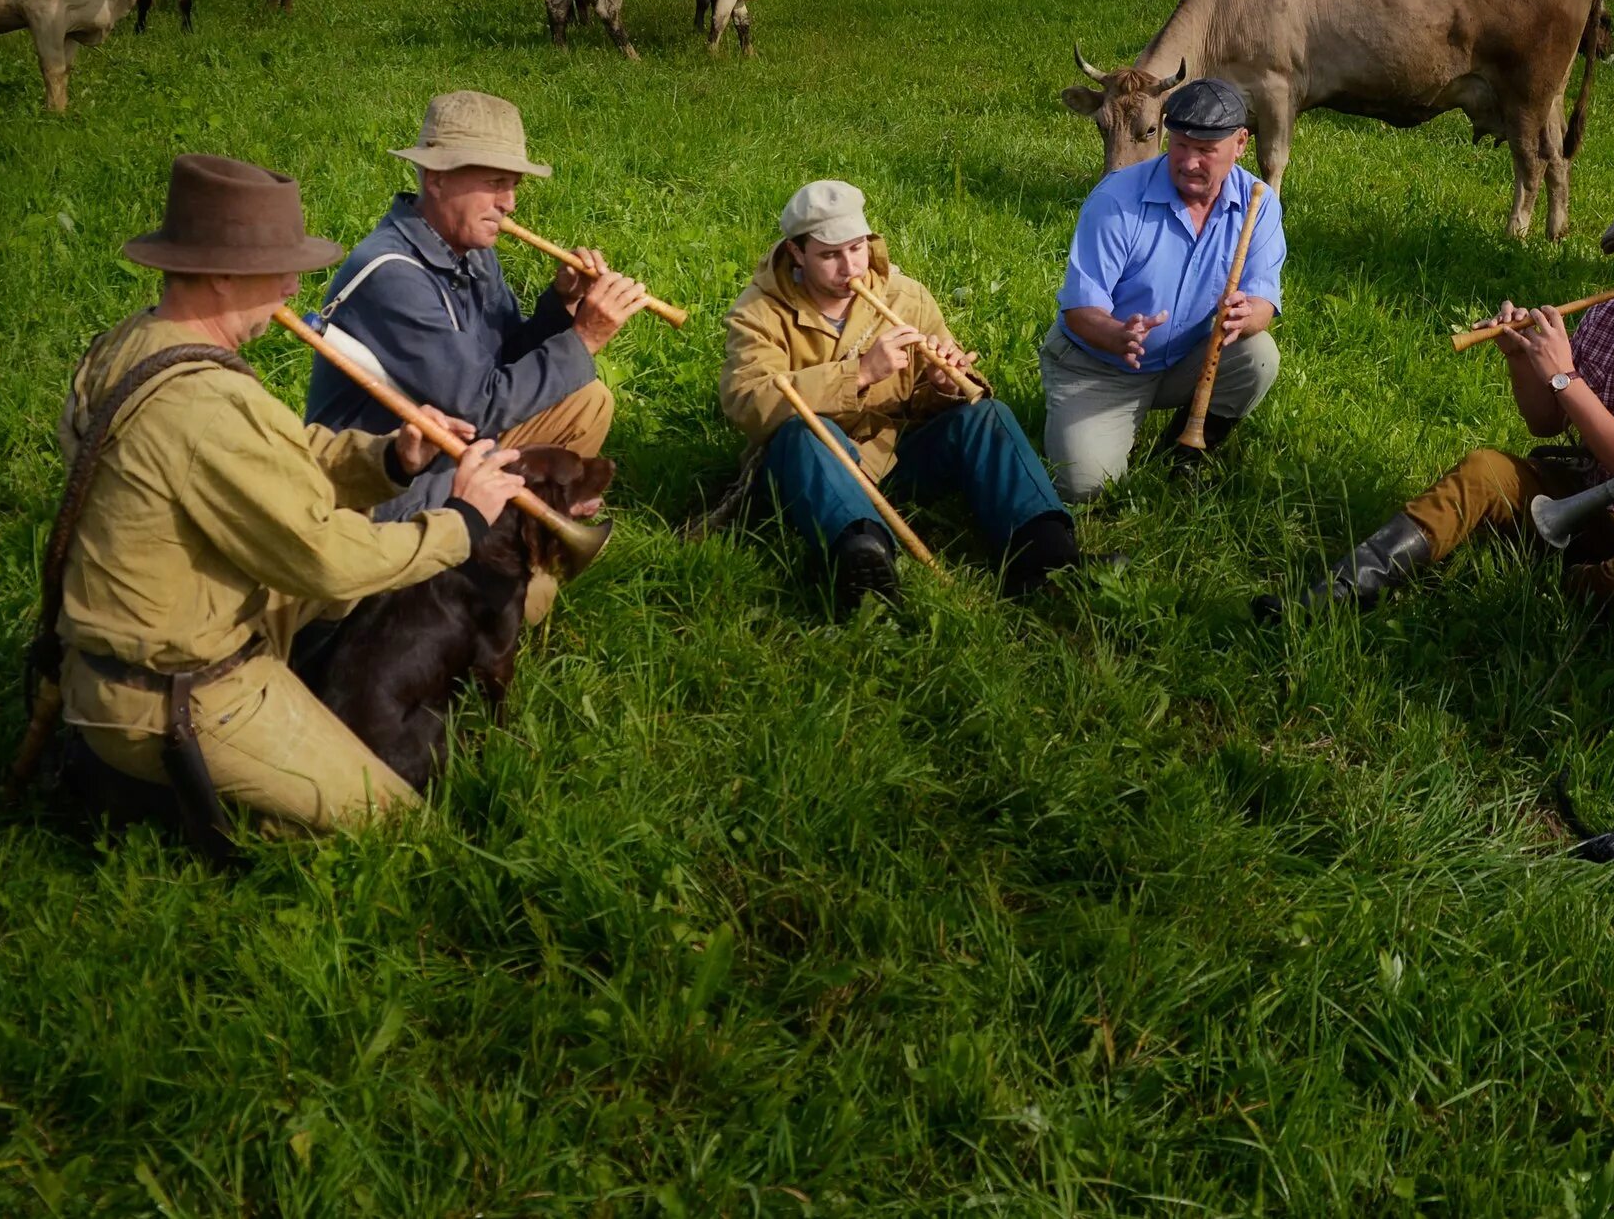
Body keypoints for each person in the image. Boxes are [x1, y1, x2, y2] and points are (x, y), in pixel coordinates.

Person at [55, 154, 530, 832]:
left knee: (346, 597)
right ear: (221, 272)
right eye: (280, 268)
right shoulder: (205, 407)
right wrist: (462, 520)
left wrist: (392, 454)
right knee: (395, 822)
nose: (292, 284)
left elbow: (278, 453)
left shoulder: (139, 340)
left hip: (141, 638)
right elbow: (326, 556)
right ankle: (166, 795)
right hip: (176, 690)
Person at [1264, 176, 1614, 622]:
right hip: (1585, 491)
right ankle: (1342, 591)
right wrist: (1523, 360)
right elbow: (1545, 423)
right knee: (1485, 470)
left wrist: (1566, 377)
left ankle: (1550, 569)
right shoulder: (1612, 315)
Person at [305, 90, 647, 618]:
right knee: (533, 601)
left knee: (589, 398)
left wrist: (561, 308)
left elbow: (506, 355)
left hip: (457, 447)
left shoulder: (467, 250)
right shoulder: (394, 276)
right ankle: (479, 548)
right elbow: (480, 405)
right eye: (493, 183)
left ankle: (518, 524)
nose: (508, 204)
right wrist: (585, 337)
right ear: (436, 178)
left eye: (512, 186)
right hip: (386, 485)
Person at [720, 179, 1083, 609]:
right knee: (807, 432)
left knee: (989, 415)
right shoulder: (759, 311)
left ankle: (1047, 554)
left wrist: (945, 387)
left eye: (856, 248)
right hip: (811, 471)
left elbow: (927, 398)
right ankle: (863, 555)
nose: (850, 268)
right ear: (796, 253)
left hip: (894, 457)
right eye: (830, 255)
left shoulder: (904, 296)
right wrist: (859, 373)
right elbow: (746, 401)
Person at [1039, 76, 1285, 498]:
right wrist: (1117, 333)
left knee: (1257, 356)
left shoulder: (1258, 203)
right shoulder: (1116, 200)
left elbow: (1264, 300)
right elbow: (1080, 312)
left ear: (1241, 143)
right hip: (1100, 366)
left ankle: (1183, 454)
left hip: (1184, 359)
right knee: (1085, 486)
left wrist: (1248, 316)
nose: (1189, 162)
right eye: (1180, 145)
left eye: (1206, 151)